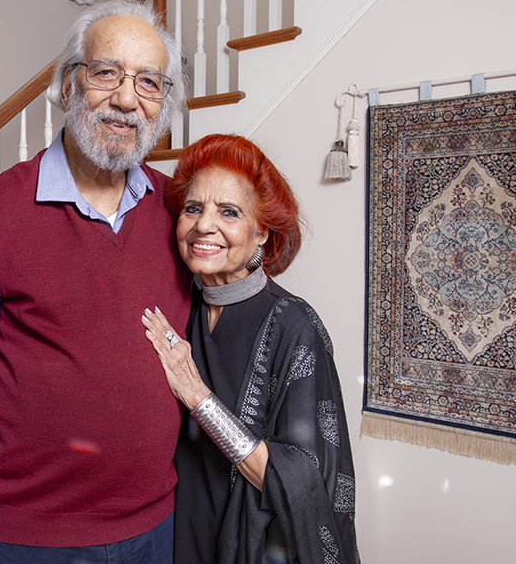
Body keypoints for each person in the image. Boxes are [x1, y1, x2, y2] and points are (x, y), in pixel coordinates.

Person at [0, 0, 192, 564]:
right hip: (29, 542)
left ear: (162, 107)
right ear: (68, 85)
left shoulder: (179, 211)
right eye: (107, 72)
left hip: (157, 530)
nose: (126, 99)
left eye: (148, 83)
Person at [140, 134, 359, 564]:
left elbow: (301, 481)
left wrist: (198, 397)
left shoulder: (295, 326)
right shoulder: (182, 306)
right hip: (180, 533)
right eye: (193, 208)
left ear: (261, 232)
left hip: (251, 548)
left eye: (229, 212)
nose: (204, 225)